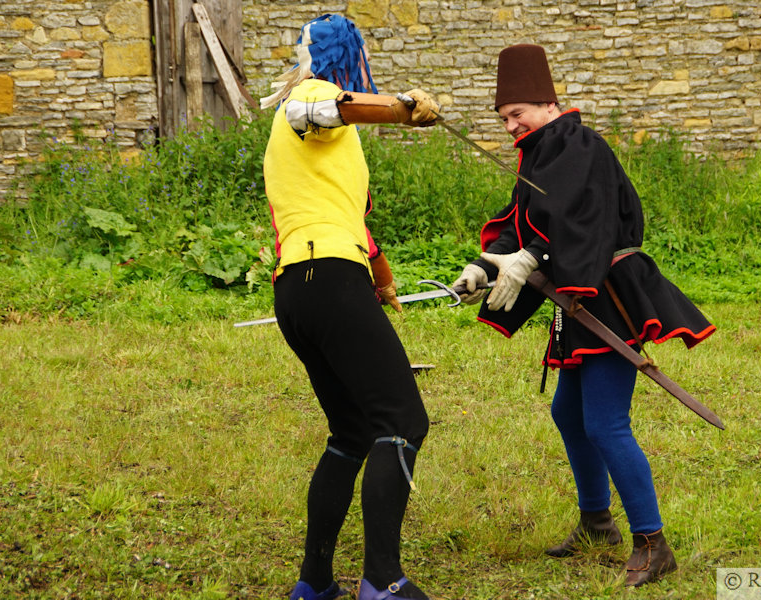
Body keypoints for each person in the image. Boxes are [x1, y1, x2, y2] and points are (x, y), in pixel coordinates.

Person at [452, 44, 716, 588]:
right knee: (569, 416)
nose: (509, 125)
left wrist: (532, 258)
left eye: (517, 113)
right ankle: (598, 521)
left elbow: (585, 226)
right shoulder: (541, 150)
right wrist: (487, 264)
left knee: (605, 423)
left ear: (548, 103)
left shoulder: (580, 144)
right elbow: (524, 222)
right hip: (575, 296)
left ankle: (653, 542)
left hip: (606, 295)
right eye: (503, 118)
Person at [260, 14, 440, 600]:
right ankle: (383, 582)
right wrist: (403, 107)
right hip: (328, 281)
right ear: (348, 57)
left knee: (352, 431)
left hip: (300, 290)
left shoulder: (338, 144)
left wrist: (383, 281)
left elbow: (355, 222)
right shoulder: (311, 98)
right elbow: (317, 109)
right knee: (403, 421)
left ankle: (314, 584)